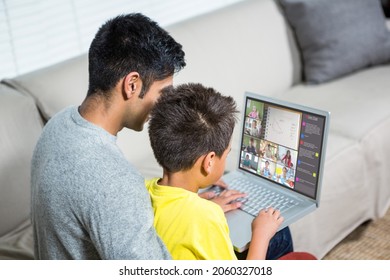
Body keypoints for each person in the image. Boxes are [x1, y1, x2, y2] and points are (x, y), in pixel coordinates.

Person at [30, 13, 189, 259]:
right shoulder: (113, 179)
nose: (166, 104)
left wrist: (190, 209)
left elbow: (101, 206)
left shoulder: (58, 124)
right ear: (132, 84)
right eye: (163, 92)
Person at [146, 83, 293, 260]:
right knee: (281, 235)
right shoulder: (207, 217)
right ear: (208, 162)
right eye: (226, 154)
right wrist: (261, 235)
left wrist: (199, 204)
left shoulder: (145, 189)